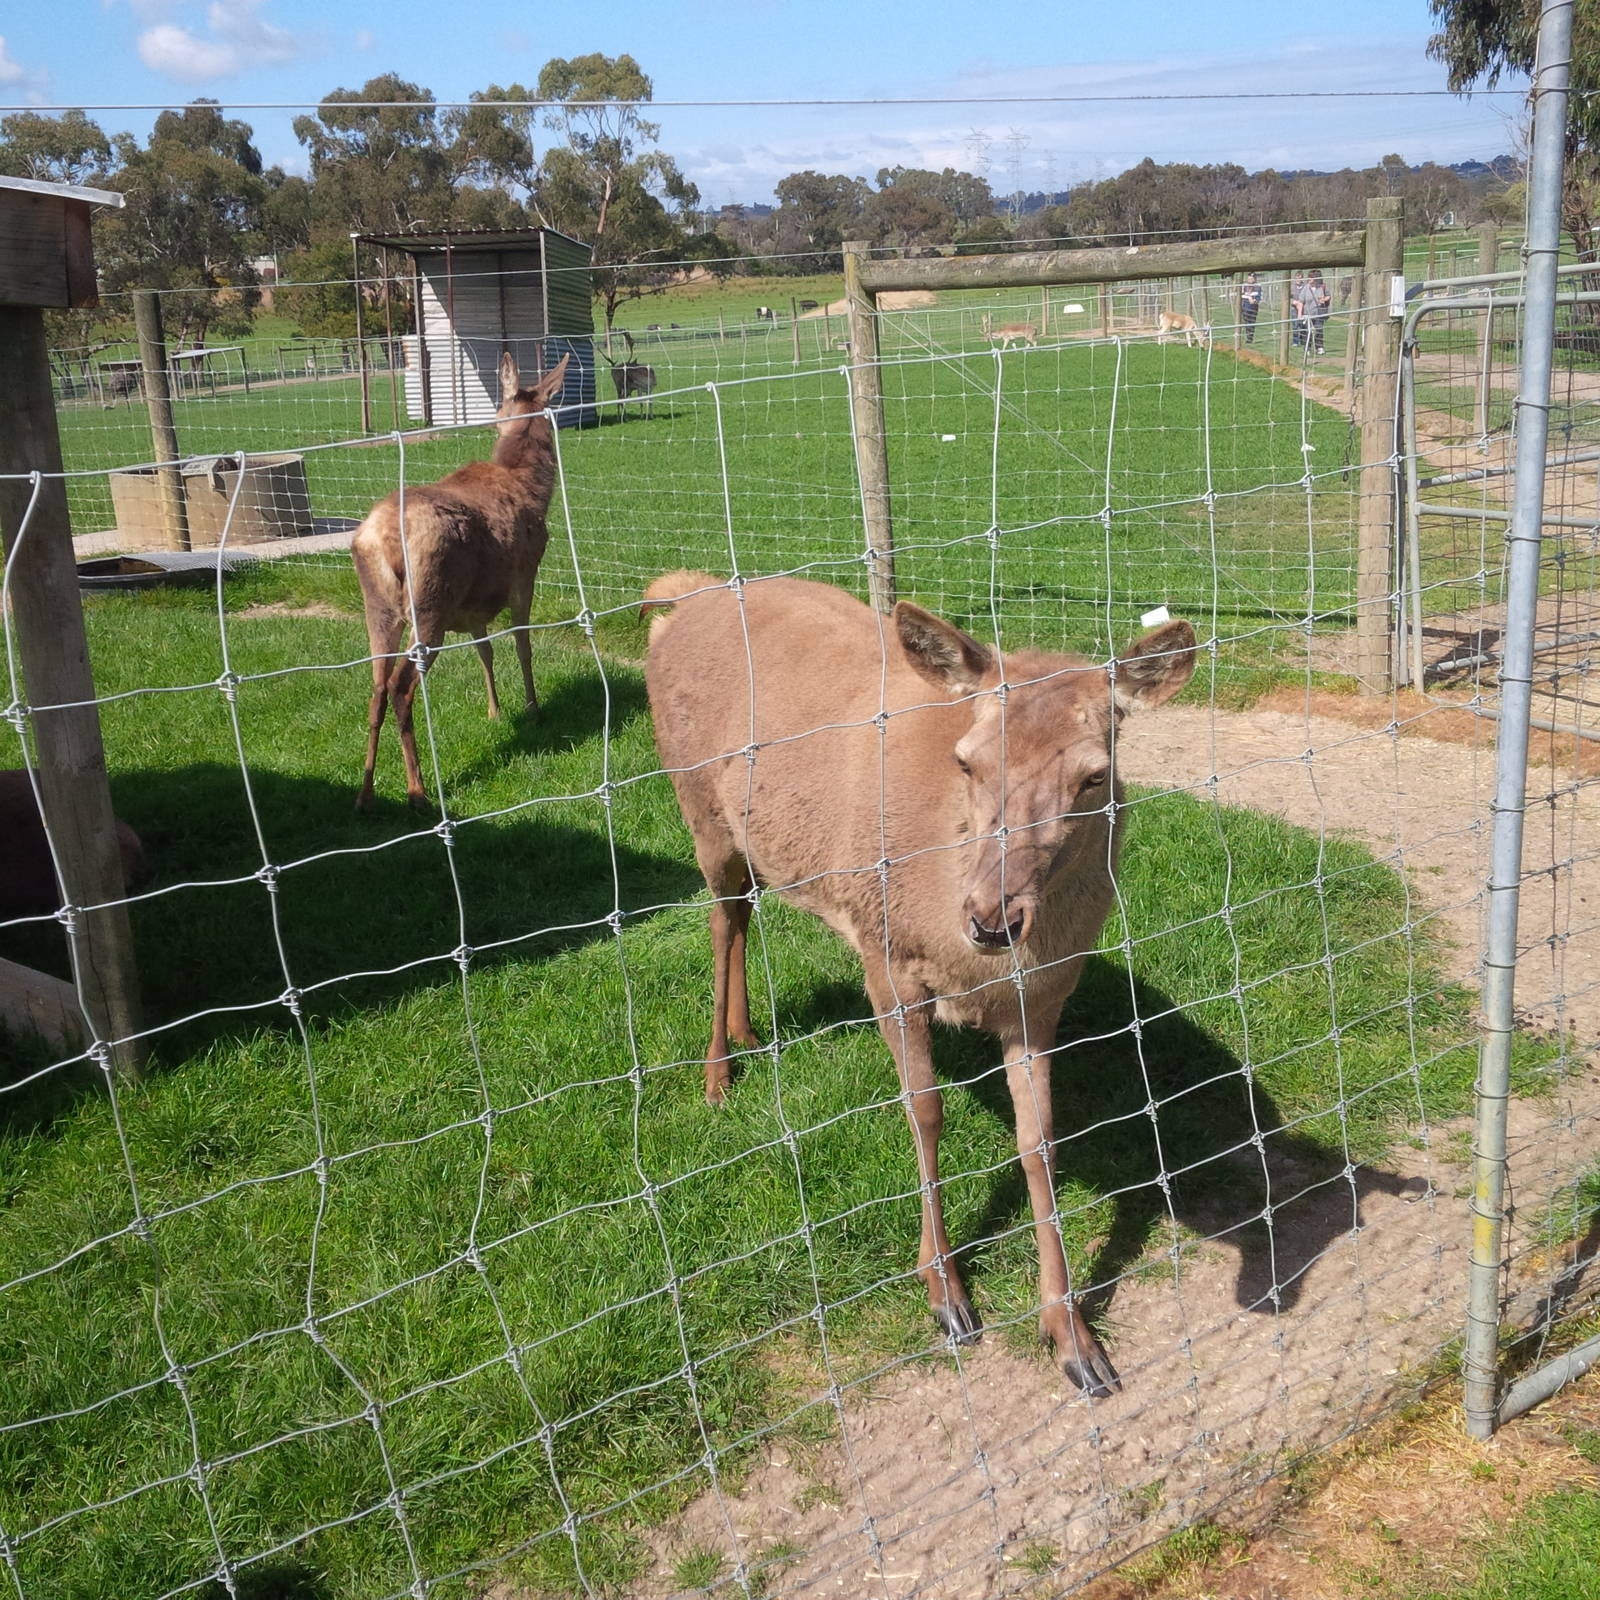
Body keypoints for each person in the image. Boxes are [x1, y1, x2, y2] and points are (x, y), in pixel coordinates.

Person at [1305, 269, 1331, 354]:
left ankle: (1319, 347)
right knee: (1308, 330)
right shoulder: (1307, 287)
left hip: (1320, 311)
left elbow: (1328, 296)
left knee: (1319, 329)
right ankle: (1307, 348)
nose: (1310, 278)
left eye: (1312, 277)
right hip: (1309, 312)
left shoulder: (1323, 286)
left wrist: (1323, 299)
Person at [1240, 272, 1262, 344]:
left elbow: (1258, 297)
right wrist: (1249, 297)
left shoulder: (1258, 286)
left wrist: (1254, 300)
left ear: (1255, 279)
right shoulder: (1244, 286)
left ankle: (1250, 338)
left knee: (1252, 322)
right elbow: (1241, 295)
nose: (1250, 280)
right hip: (1245, 307)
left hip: (1254, 307)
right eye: (1249, 278)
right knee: (1247, 322)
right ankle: (1248, 337)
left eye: (1252, 278)